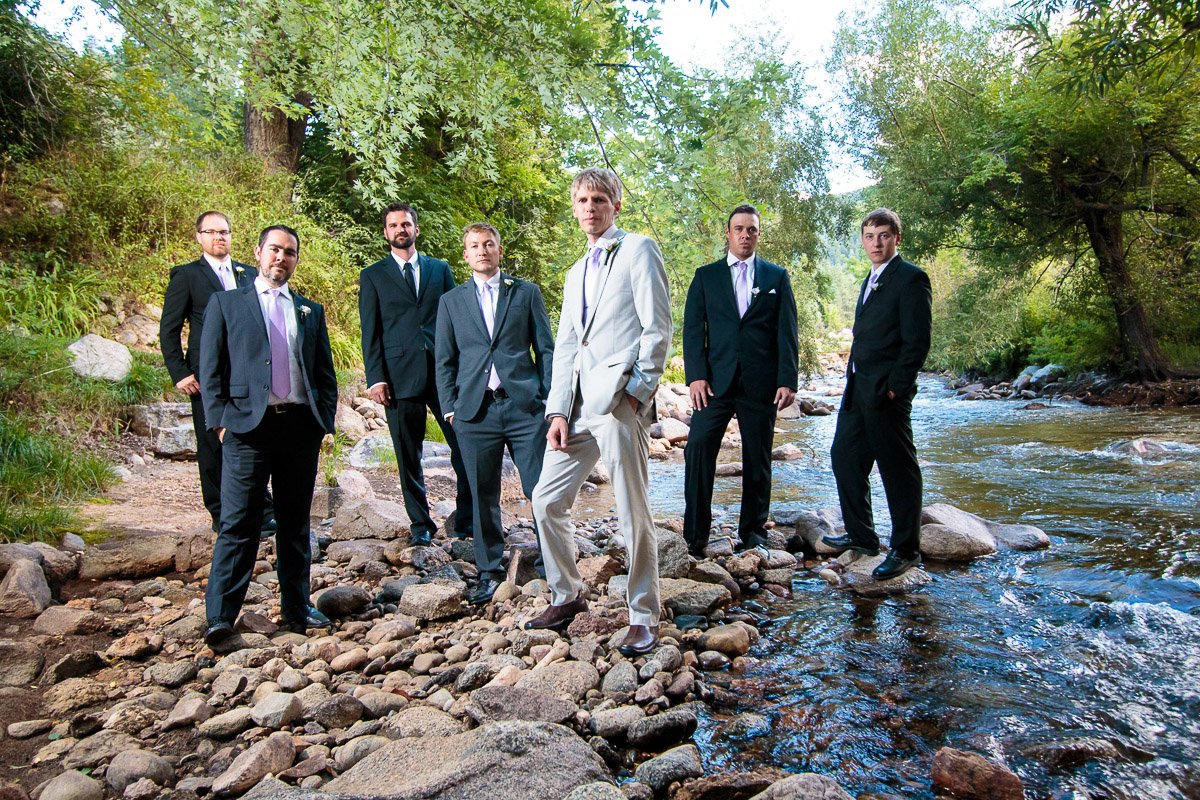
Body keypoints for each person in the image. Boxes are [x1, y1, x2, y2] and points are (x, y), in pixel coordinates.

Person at [529, 168, 671, 657]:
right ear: (574, 207)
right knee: (546, 499)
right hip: (578, 409)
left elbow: (657, 329)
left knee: (632, 509)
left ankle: (643, 614)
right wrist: (557, 413)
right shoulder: (574, 272)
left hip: (618, 402)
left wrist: (638, 393)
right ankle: (566, 594)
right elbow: (567, 347)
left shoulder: (638, 249)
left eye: (599, 199)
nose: (590, 207)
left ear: (616, 204)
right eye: (583, 200)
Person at [198, 225, 338, 647]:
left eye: (290, 252)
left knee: (295, 525)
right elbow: (211, 370)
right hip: (247, 429)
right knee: (238, 525)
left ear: (296, 259)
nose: (281, 257)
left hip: (299, 428)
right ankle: (221, 617)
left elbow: (323, 374)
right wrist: (220, 422)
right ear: (258, 252)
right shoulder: (226, 304)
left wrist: (323, 421)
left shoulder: (310, 310)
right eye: (274, 249)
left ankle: (296, 607)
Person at [434, 223, 554, 605]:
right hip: (474, 411)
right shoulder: (451, 302)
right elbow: (444, 360)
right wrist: (451, 408)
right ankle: (489, 571)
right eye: (474, 246)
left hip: (524, 408)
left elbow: (546, 350)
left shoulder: (526, 293)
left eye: (489, 244)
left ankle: (555, 565)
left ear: (500, 251)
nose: (482, 250)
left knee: (541, 488)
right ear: (465, 255)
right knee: (482, 493)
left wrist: (551, 402)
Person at [682, 204, 798, 557]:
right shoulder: (706, 276)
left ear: (759, 235)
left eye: (752, 230)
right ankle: (695, 534)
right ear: (728, 234)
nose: (745, 235)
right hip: (715, 383)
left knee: (758, 457)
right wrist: (696, 376)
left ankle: (752, 532)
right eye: (739, 229)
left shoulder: (776, 278)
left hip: (760, 383)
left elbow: (787, 332)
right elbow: (692, 330)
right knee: (698, 449)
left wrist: (787, 379)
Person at [823, 208, 932, 580]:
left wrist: (895, 390)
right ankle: (862, 537)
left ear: (896, 238)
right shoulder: (870, 278)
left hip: (886, 394)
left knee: (898, 470)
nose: (876, 243)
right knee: (844, 457)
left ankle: (906, 549)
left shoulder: (912, 279)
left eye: (884, 235)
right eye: (869, 236)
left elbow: (917, 343)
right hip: (858, 390)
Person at [359, 203, 473, 546]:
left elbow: (457, 318)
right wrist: (375, 377)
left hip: (444, 374)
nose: (400, 230)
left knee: (463, 445)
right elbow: (371, 330)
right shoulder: (373, 275)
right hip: (398, 378)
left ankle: (466, 518)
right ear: (386, 232)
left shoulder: (439, 269)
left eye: (406, 224)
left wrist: (463, 366)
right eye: (393, 225)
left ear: (416, 229)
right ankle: (421, 524)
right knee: (408, 454)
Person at [159, 211, 275, 535]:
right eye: (210, 232)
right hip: (204, 375)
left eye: (223, 231)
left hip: (246, 373)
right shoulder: (186, 276)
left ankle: (262, 510)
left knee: (252, 440)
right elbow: (169, 329)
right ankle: (221, 513)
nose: (218, 237)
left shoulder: (249, 273)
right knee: (212, 445)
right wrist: (179, 371)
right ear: (199, 237)